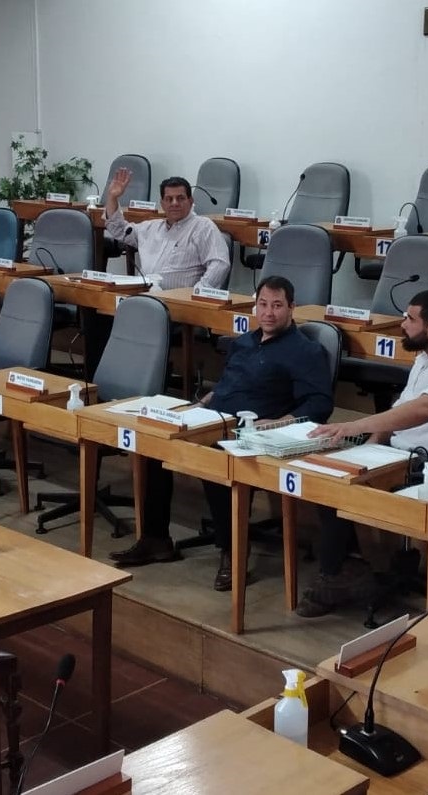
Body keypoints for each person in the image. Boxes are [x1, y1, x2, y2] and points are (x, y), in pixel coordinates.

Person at [108, 276, 334, 591]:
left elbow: (320, 404)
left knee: (215, 455)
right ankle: (156, 539)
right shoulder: (243, 342)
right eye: (263, 304)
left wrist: (279, 421)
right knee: (154, 442)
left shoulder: (305, 351)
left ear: (292, 308)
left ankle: (233, 552)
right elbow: (226, 386)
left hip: (255, 432)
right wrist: (197, 406)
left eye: (277, 306)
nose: (268, 313)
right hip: (212, 418)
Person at [294, 289, 428, 617]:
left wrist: (355, 426)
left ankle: (337, 574)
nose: (402, 324)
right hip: (397, 453)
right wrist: (369, 444)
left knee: (337, 482)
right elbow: (399, 411)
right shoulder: (425, 357)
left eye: (410, 319)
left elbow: (425, 409)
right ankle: (348, 567)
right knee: (326, 470)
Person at [102, 169, 230, 291]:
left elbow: (220, 264)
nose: (174, 203)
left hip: (180, 300)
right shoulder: (150, 228)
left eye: (180, 198)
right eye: (169, 199)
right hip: (145, 295)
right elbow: (119, 229)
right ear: (162, 204)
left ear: (191, 201)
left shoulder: (202, 227)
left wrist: (198, 292)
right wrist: (112, 197)